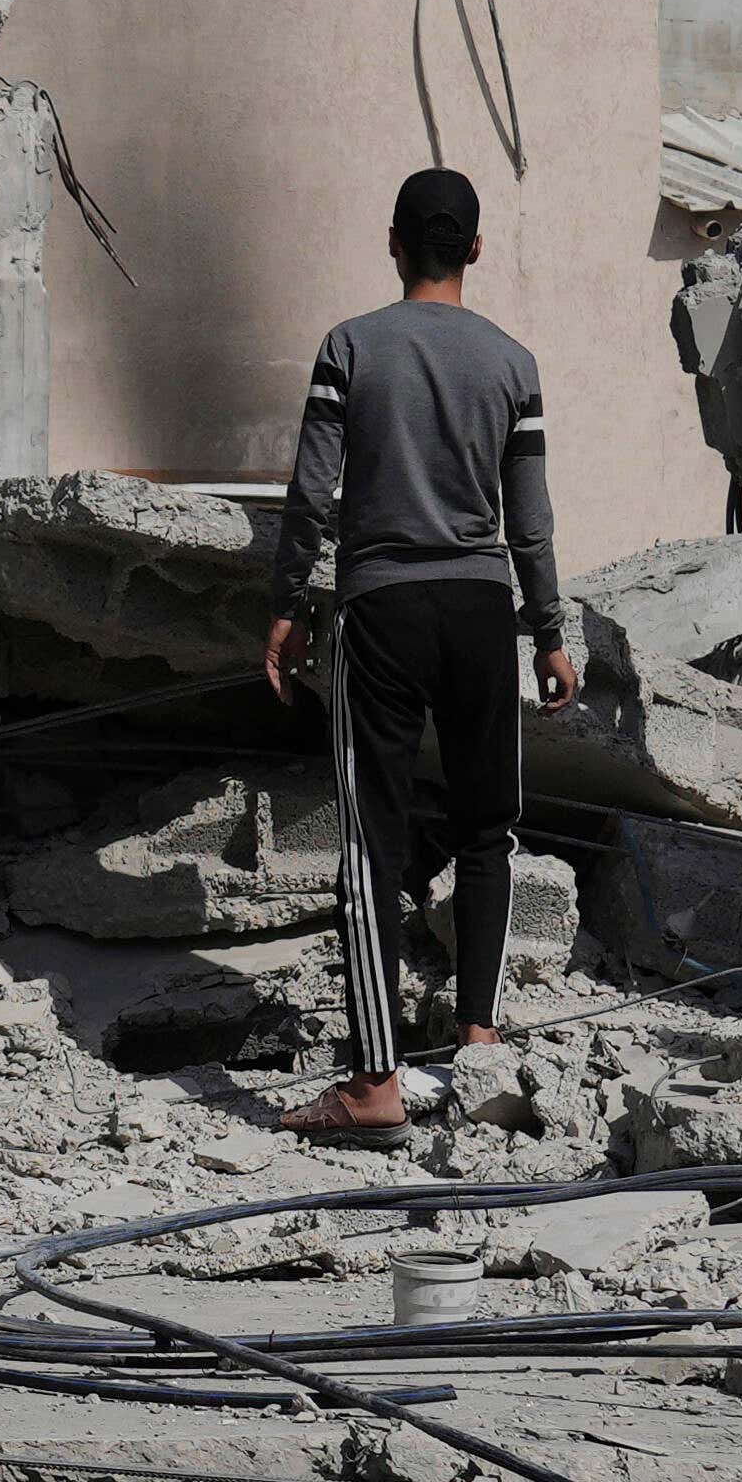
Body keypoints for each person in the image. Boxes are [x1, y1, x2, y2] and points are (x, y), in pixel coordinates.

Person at [261, 167, 575, 1137]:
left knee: (371, 839)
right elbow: (530, 519)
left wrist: (287, 603)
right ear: (475, 248)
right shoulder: (512, 363)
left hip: (381, 610)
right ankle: (478, 1033)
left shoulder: (351, 347)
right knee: (487, 826)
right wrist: (552, 631)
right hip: (482, 611)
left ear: (394, 240)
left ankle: (372, 1082)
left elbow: (313, 494)